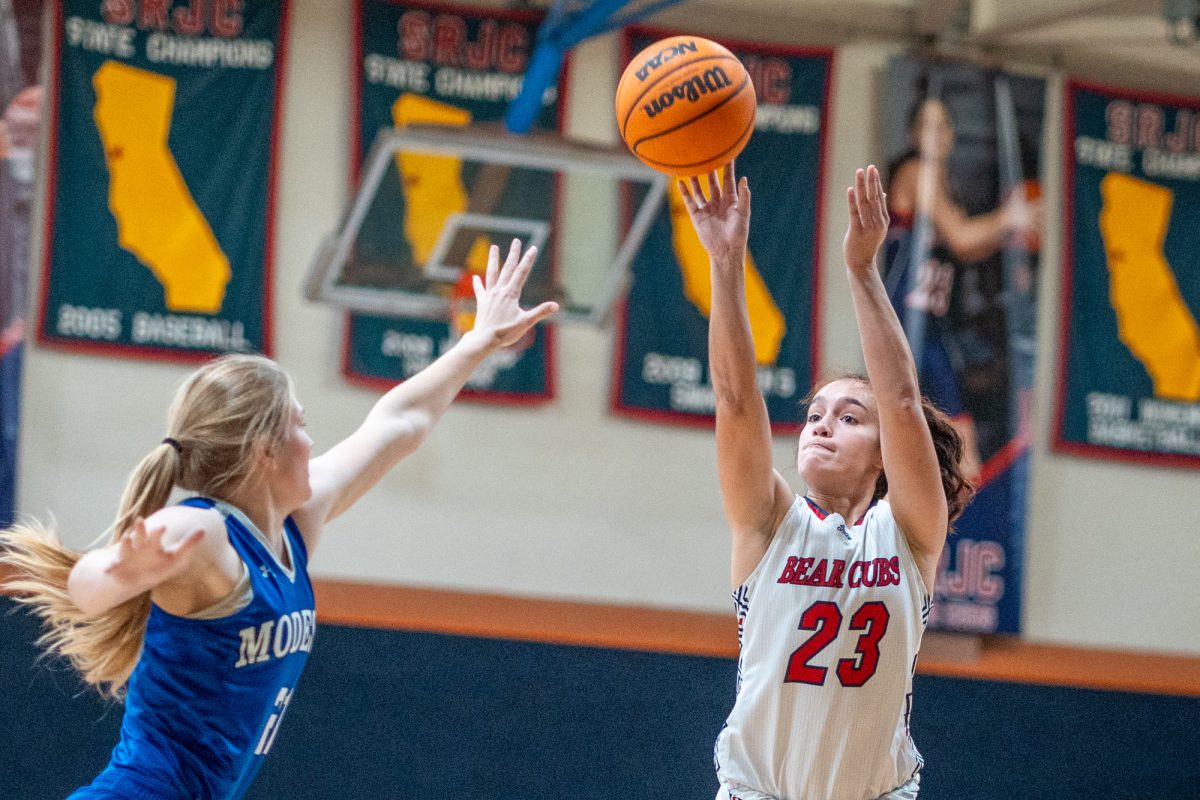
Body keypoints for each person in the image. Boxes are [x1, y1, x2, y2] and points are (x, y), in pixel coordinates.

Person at [0, 240, 556, 799]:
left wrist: (476, 344)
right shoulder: (204, 534)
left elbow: (399, 422)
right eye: (301, 424)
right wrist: (121, 573)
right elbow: (85, 586)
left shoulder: (292, 525)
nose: (312, 440)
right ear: (264, 449)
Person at [678, 164, 972, 800]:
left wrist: (863, 271)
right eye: (813, 415)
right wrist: (725, 265)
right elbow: (734, 397)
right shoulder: (769, 523)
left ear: (884, 456)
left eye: (847, 418)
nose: (821, 426)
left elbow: (899, 400)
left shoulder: (911, 535)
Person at [885, 96, 1041, 481]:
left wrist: (1013, 228)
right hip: (902, 324)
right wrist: (1010, 217)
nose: (935, 135)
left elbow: (971, 248)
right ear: (911, 134)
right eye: (926, 125)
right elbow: (962, 239)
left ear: (952, 137)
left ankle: (945, 531)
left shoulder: (946, 189)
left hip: (933, 327)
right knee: (926, 439)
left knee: (960, 446)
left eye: (943, 126)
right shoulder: (913, 172)